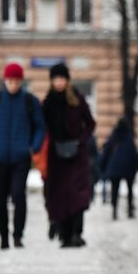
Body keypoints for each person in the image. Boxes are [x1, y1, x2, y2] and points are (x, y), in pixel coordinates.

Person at [0, 62, 45, 249]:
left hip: (21, 158)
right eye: (10, 81)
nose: (13, 84)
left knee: (18, 196)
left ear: (21, 81)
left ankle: (18, 235)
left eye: (17, 81)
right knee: (0, 199)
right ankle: (3, 237)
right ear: (5, 80)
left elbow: (40, 126)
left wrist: (33, 146)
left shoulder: (29, 101)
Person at [41, 63, 96, 247]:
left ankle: (76, 233)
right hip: (55, 156)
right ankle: (64, 235)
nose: (58, 82)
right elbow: (42, 127)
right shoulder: (48, 102)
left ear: (67, 80)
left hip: (76, 155)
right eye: (55, 79)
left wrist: (81, 141)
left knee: (77, 194)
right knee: (58, 194)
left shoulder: (77, 100)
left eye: (61, 78)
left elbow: (90, 123)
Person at [100, 117, 138, 219]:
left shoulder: (114, 136)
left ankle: (114, 210)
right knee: (130, 189)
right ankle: (130, 210)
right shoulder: (129, 137)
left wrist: (103, 165)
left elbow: (106, 152)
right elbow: (134, 153)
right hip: (128, 167)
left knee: (115, 190)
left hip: (115, 167)